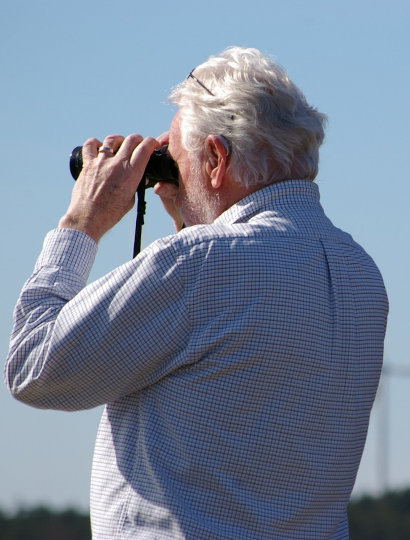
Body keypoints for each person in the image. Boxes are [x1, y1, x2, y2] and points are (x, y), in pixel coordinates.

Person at [6, 46, 388, 539]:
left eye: (177, 161)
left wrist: (81, 224)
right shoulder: (360, 273)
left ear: (215, 158)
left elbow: (33, 367)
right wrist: (192, 217)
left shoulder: (199, 264)